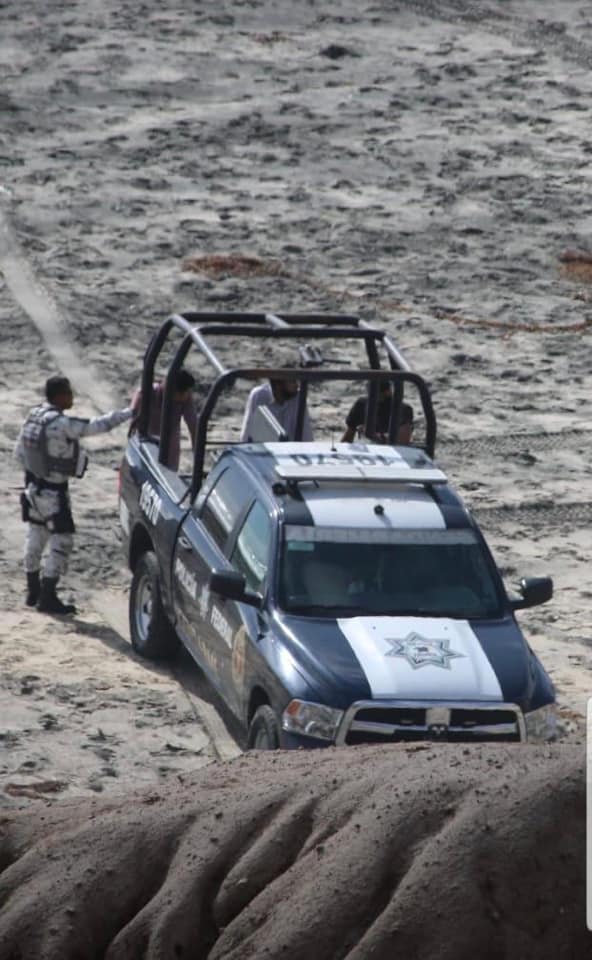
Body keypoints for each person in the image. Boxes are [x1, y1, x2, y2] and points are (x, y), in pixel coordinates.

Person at [14, 376, 133, 615]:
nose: (72, 397)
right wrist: (129, 412)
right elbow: (97, 426)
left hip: (32, 489)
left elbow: (19, 454)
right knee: (62, 541)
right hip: (53, 494)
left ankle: (32, 590)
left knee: (35, 536)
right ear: (58, 395)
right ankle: (48, 596)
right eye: (68, 393)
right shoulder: (62, 424)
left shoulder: (33, 416)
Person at [130, 368, 198, 470]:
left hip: (170, 443)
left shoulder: (186, 397)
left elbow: (194, 425)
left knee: (169, 472)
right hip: (147, 438)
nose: (186, 395)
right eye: (183, 392)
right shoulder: (146, 393)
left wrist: (197, 453)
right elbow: (133, 422)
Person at [240, 374, 313, 442]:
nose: (297, 385)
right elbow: (247, 438)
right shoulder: (259, 396)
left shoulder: (297, 399)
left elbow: (307, 438)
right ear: (278, 384)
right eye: (292, 381)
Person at [341, 380, 414, 444]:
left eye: (376, 394)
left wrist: (373, 436)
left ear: (388, 392)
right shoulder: (361, 404)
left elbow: (402, 440)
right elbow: (349, 435)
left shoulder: (402, 409)